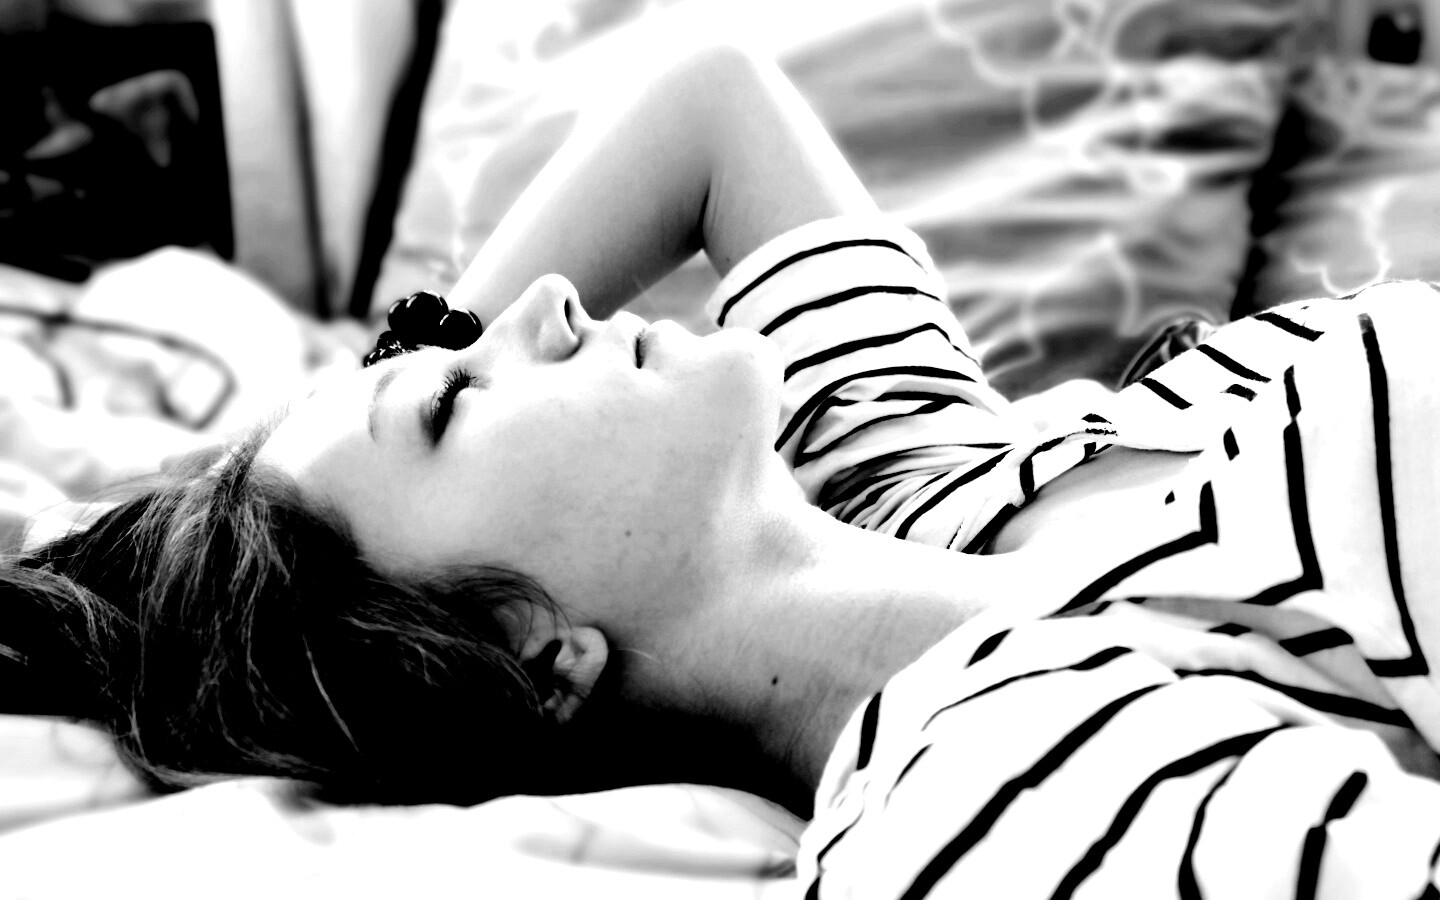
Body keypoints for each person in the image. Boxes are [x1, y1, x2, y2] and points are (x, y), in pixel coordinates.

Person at [5, 42, 1440, 897]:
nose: (544, 304)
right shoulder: (1003, 781)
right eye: (453, 400)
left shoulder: (913, 475)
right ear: (534, 653)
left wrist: (330, 411)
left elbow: (709, 105)